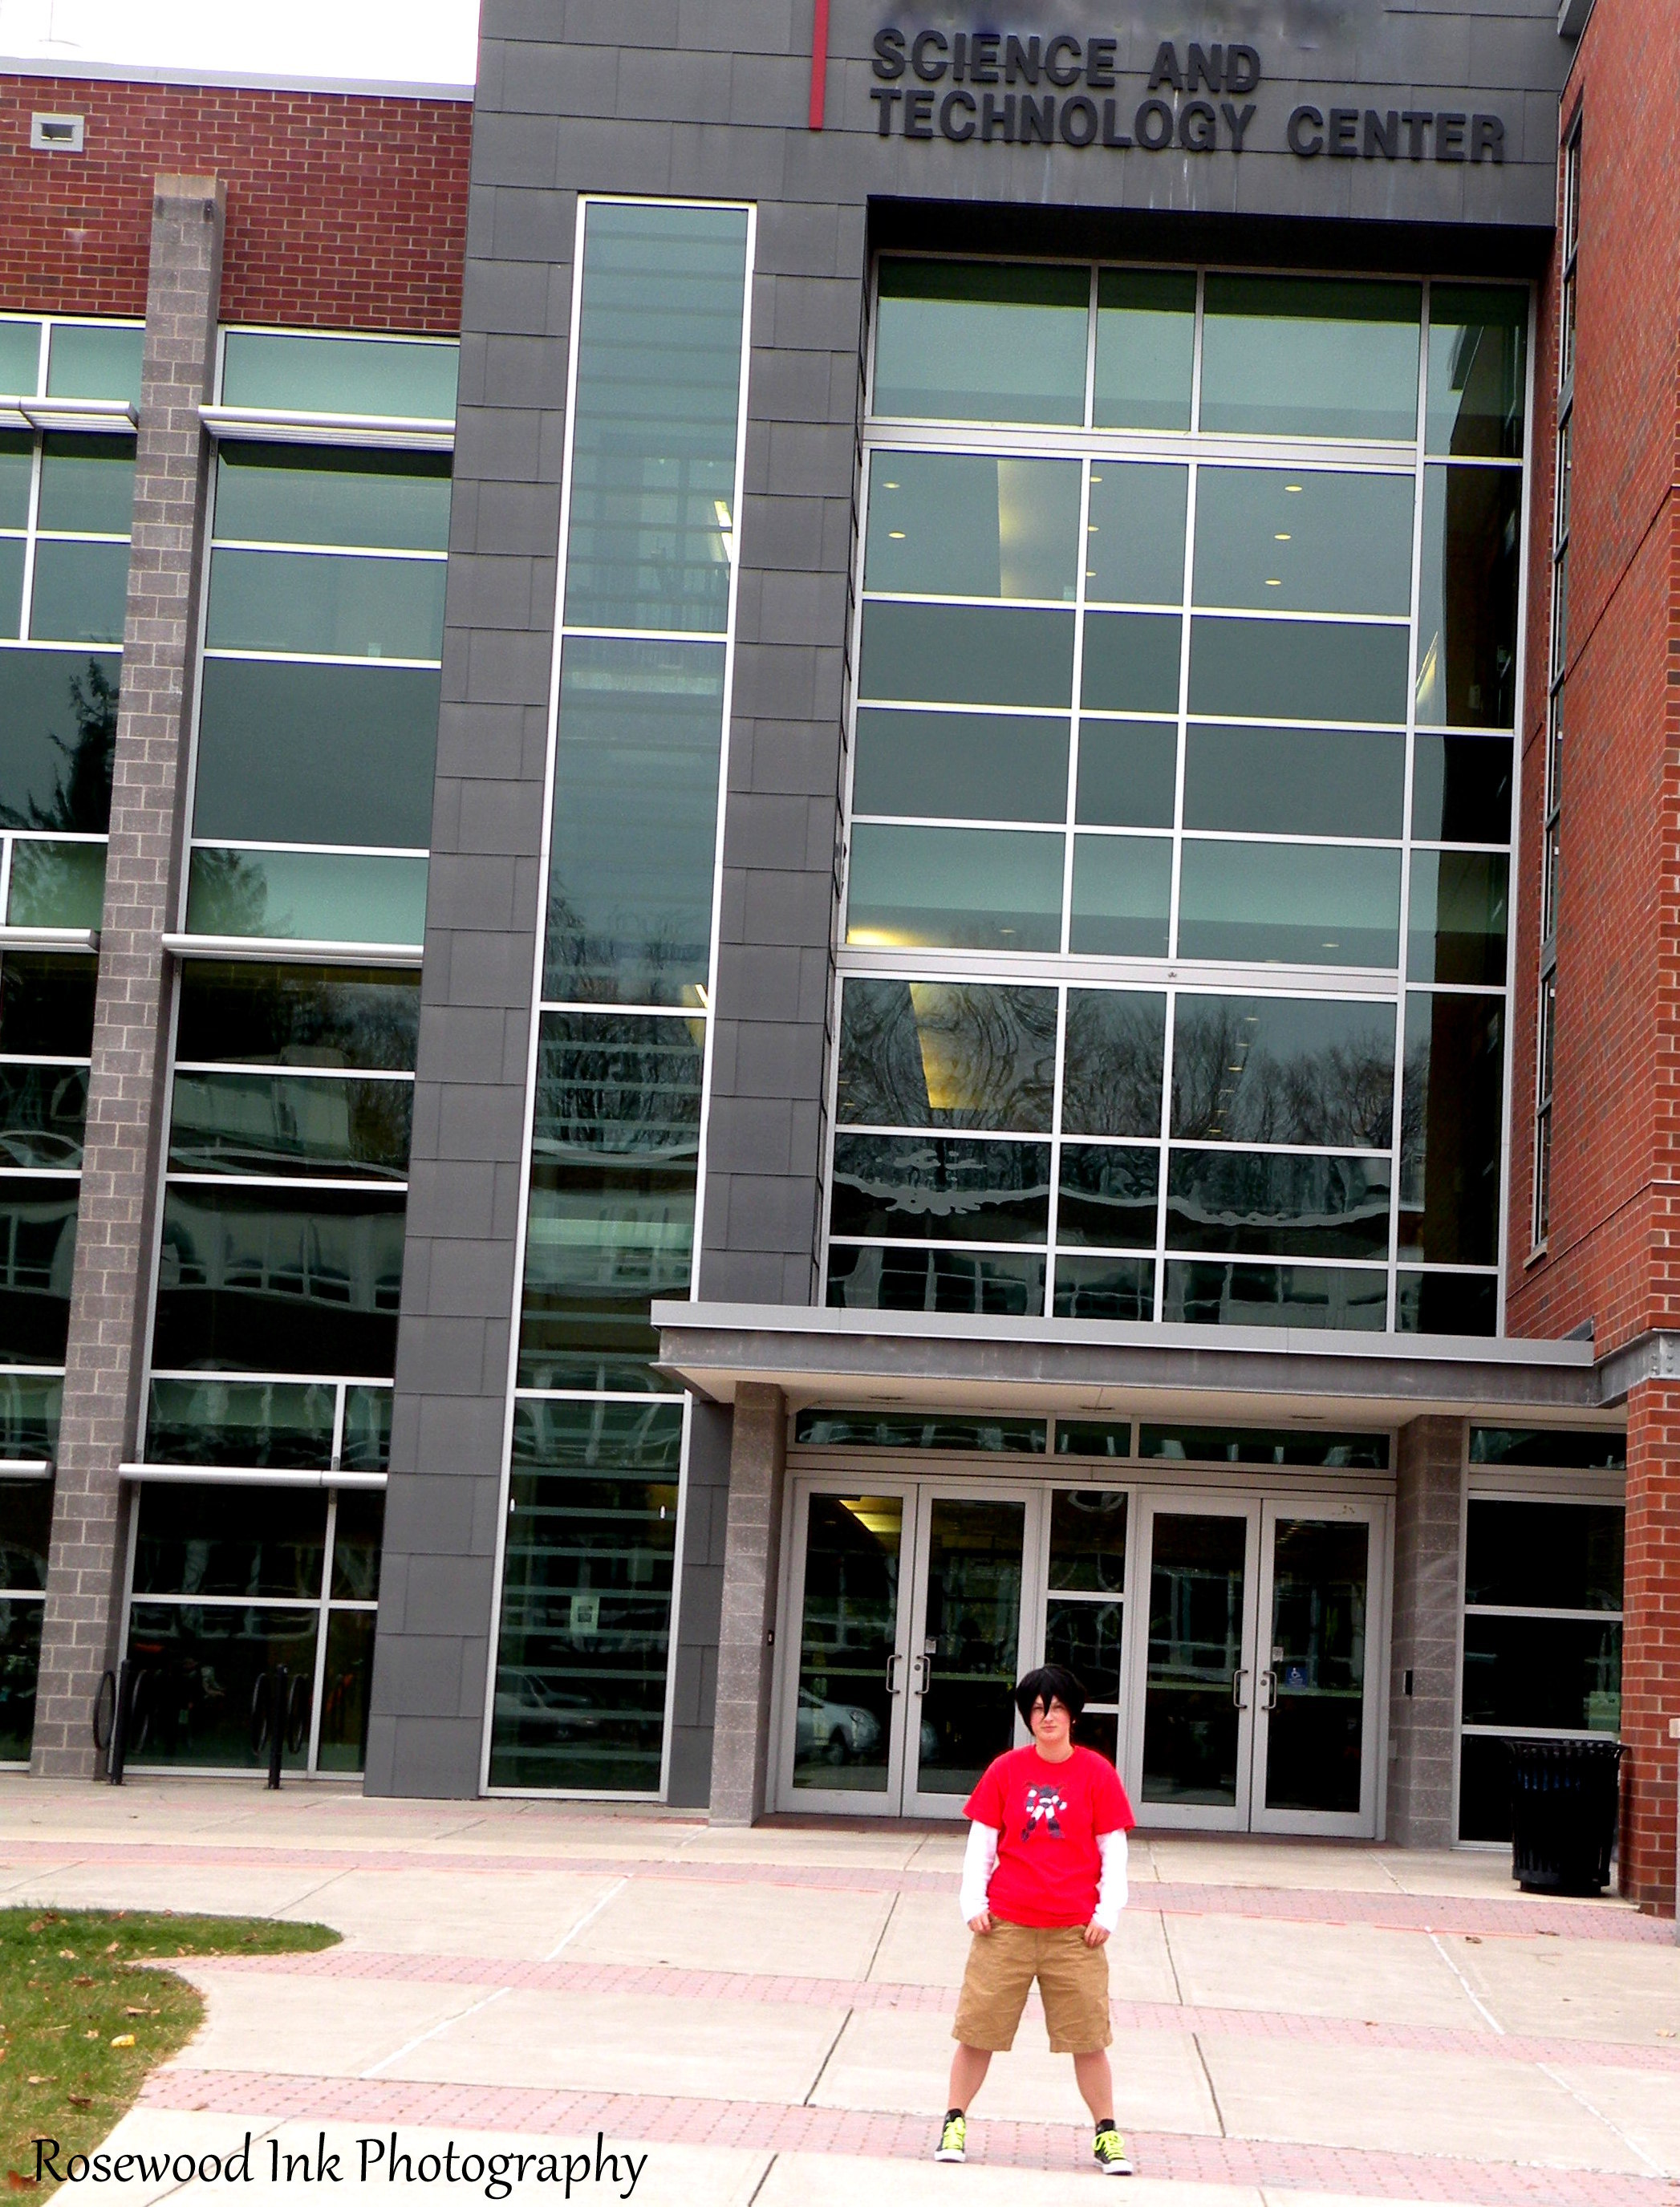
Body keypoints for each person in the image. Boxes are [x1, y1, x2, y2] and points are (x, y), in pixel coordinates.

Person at [935, 1664, 1134, 2175]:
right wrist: (973, 1903)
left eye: (1058, 1708)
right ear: (1028, 1716)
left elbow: (1113, 1850)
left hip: (1075, 1934)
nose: (1048, 1717)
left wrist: (1107, 1912)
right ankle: (954, 2122)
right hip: (1006, 1926)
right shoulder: (1006, 1770)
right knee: (977, 2031)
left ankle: (1107, 2134)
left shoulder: (1097, 1773)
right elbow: (982, 1843)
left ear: (1074, 1716)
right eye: (1039, 1708)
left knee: (1089, 2039)